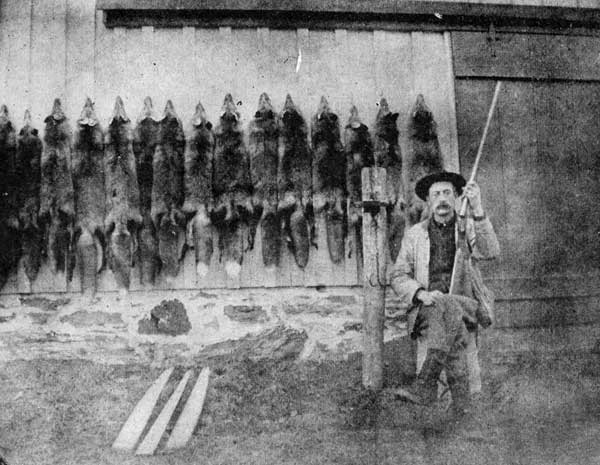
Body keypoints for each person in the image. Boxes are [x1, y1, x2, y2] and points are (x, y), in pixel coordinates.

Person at [389, 171, 499, 416]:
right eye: (436, 194)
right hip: (428, 309)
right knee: (448, 313)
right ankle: (462, 404)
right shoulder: (415, 234)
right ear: (428, 201)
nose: (442, 199)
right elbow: (398, 276)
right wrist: (420, 294)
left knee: (447, 305)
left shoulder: (467, 227)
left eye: (447, 193)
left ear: (457, 197)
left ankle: (425, 385)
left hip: (467, 305)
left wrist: (478, 208)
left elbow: (491, 251)